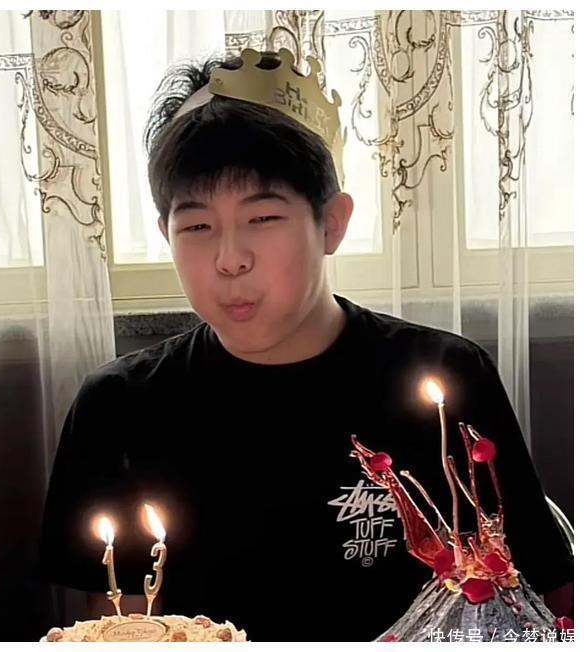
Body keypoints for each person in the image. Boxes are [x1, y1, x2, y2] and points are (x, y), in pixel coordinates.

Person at [39, 49, 573, 641]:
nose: (229, 259)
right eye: (197, 226)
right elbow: (114, 625)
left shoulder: (444, 377)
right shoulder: (119, 406)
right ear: (167, 234)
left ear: (332, 223)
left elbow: (544, 596)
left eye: (263, 218)